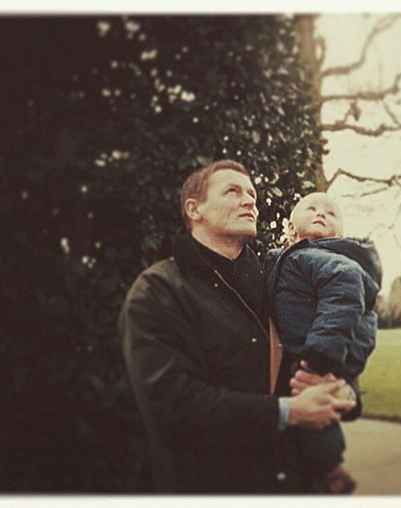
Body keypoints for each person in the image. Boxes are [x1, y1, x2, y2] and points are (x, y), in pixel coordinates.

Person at [119, 160, 356, 493]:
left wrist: (344, 392)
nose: (249, 202)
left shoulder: (278, 279)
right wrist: (287, 411)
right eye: (233, 191)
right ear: (194, 209)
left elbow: (329, 346)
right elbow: (171, 404)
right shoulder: (158, 290)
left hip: (296, 485)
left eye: (252, 195)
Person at [266, 192, 382, 493]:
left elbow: (345, 294)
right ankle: (330, 469)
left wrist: (320, 355)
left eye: (331, 213)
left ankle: (329, 469)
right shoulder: (287, 258)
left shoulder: (319, 258)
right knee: (314, 409)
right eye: (312, 208)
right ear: (290, 227)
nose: (321, 213)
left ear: (338, 234)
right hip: (310, 354)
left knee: (313, 406)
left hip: (315, 352)